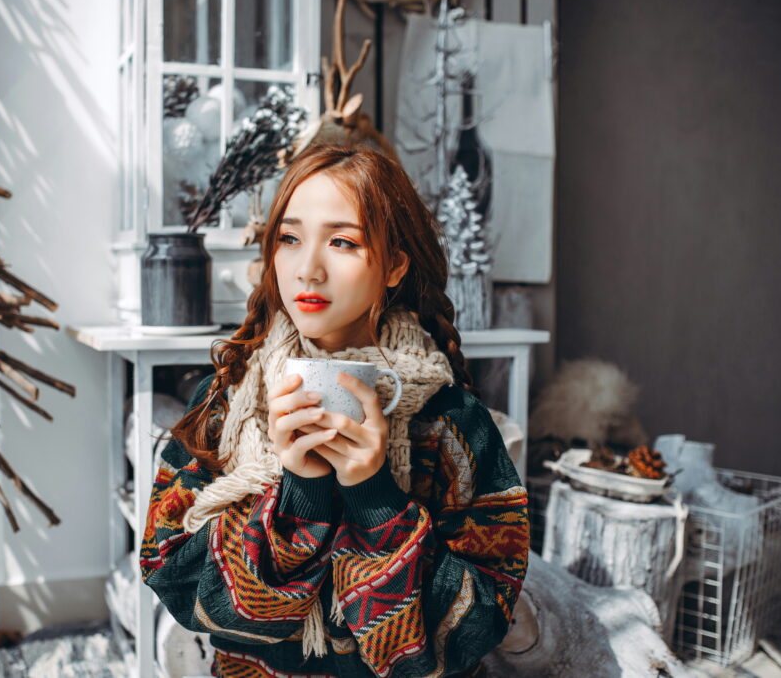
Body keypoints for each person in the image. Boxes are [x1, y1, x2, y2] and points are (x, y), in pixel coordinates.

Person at [140, 144, 529, 678]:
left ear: (394, 264)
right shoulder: (224, 402)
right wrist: (299, 494)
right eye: (290, 239)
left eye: (343, 242)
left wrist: (376, 500)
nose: (308, 269)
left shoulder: (452, 423)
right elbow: (176, 582)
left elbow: (478, 627)